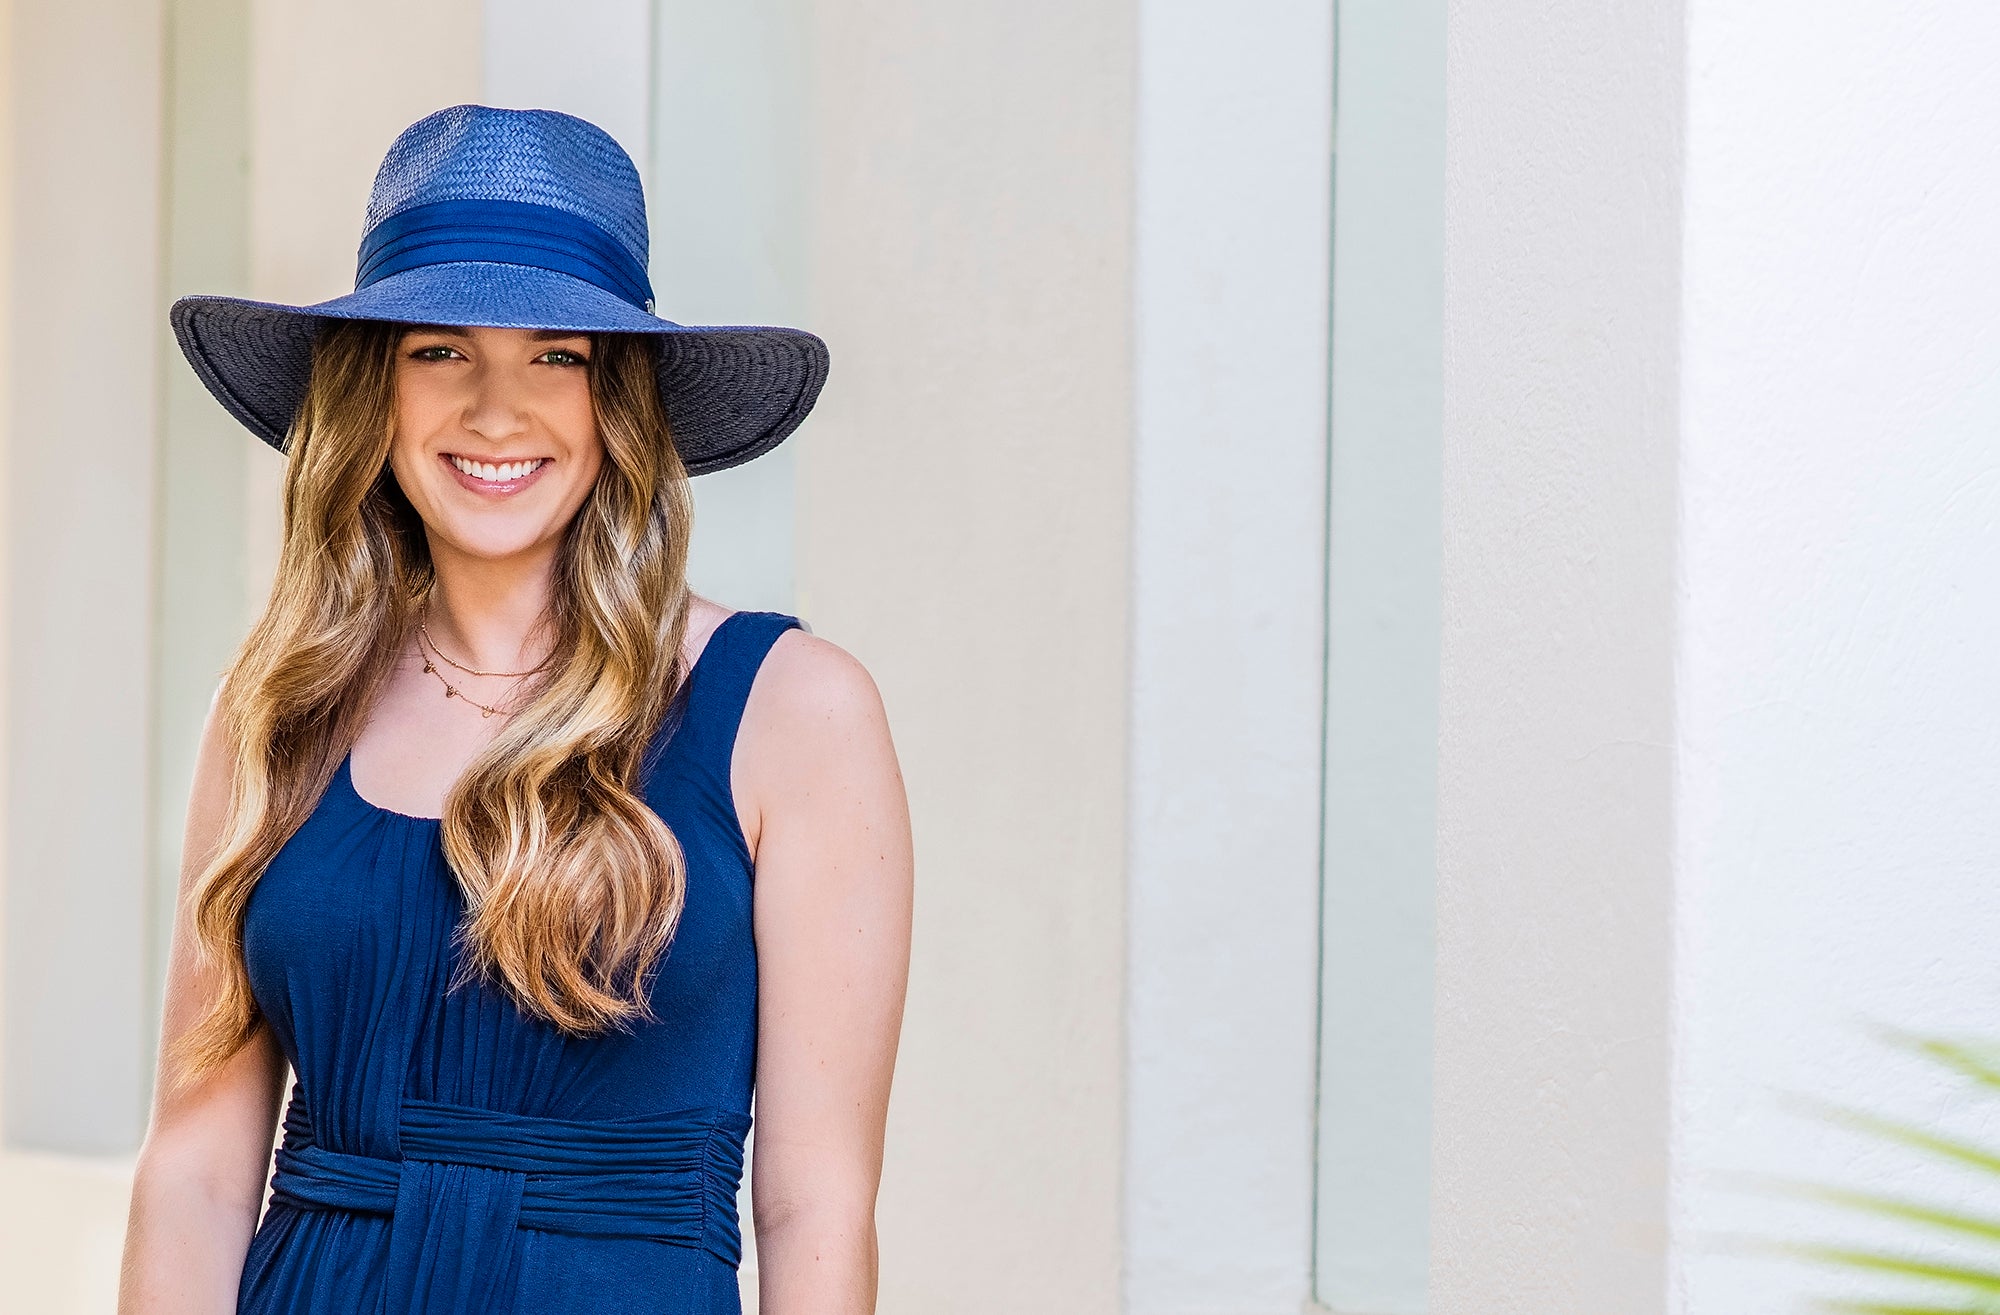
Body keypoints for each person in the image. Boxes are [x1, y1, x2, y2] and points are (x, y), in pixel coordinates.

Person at [115, 104, 913, 1315]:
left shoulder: (793, 710)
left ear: (618, 403)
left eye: (557, 356)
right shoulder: (276, 705)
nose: (496, 411)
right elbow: (196, 1172)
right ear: (372, 392)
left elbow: (818, 1207)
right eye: (440, 351)